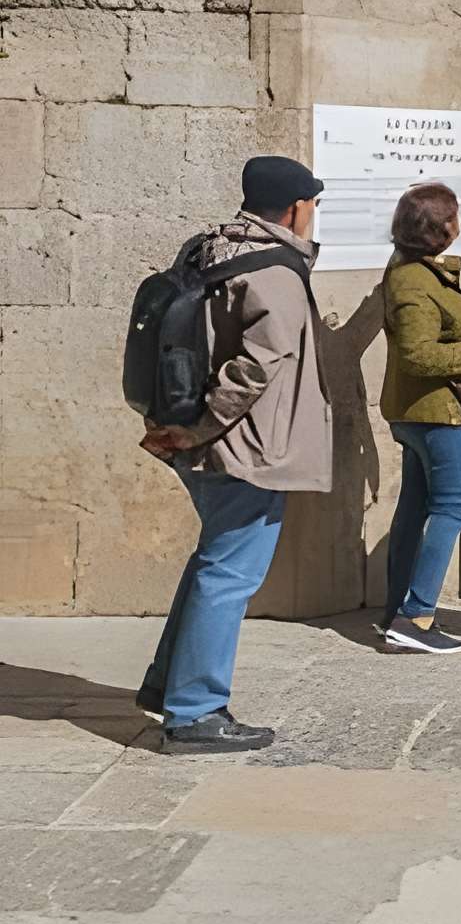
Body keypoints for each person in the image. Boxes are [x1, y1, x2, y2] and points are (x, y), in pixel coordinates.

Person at [137, 155, 331, 753]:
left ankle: (171, 685)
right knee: (228, 573)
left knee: (213, 563)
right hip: (246, 447)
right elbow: (254, 368)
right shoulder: (277, 271)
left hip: (204, 441)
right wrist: (199, 429)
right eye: (312, 205)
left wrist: (183, 428)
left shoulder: (208, 249)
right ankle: (195, 713)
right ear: (296, 208)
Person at [379, 180, 461, 656]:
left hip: (422, 413)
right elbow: (417, 355)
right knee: (451, 508)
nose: (458, 223)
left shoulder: (416, 270)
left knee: (415, 507)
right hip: (435, 414)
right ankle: (416, 615)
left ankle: (396, 611)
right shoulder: (412, 280)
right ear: (439, 228)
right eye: (453, 217)